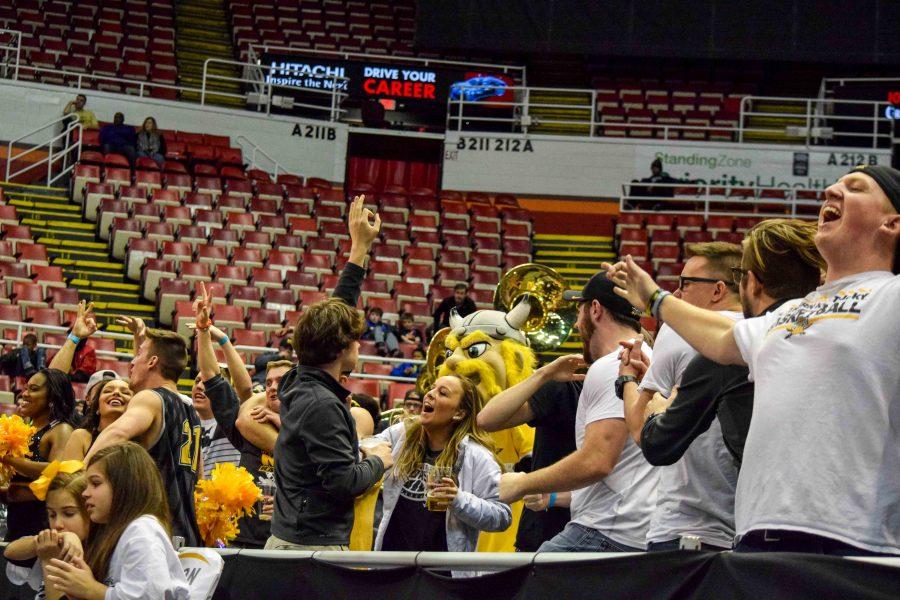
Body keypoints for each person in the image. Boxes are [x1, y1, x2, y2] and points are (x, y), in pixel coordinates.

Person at [604, 165, 900, 556]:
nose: (831, 189)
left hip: (852, 541)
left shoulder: (891, 296)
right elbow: (724, 338)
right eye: (836, 183)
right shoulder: (792, 311)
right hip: (756, 536)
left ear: (892, 223)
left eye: (855, 188)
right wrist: (656, 299)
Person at [635, 219, 823, 469]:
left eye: (740, 275)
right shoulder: (836, 331)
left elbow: (658, 445)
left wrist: (658, 409)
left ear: (753, 282)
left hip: (768, 498)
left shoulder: (730, 351)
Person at [266, 195, 394, 552]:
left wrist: (359, 249)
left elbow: (337, 311)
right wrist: (377, 460)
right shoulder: (321, 403)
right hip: (310, 549)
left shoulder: (299, 378)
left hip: (296, 537)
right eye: (356, 340)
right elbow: (343, 481)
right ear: (340, 348)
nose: (360, 346)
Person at [499, 272, 658, 553]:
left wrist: (522, 484)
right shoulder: (650, 357)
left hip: (609, 530)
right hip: (636, 530)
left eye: (579, 311)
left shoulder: (613, 364)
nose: (576, 323)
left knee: (521, 584)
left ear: (595, 309)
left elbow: (598, 460)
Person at [619, 242, 743, 552]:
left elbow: (642, 433)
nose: (677, 293)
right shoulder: (764, 331)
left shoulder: (678, 331)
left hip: (687, 525)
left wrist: (629, 381)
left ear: (717, 290)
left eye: (686, 283)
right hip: (748, 526)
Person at [84, 318, 202, 548]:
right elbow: (200, 477)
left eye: (139, 355)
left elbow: (116, 433)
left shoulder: (151, 398)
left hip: (152, 533)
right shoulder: (191, 412)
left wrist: (78, 475)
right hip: (185, 531)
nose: (132, 362)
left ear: (153, 361)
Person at [375, 375, 511, 566]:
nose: (430, 394)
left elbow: (502, 516)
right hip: (391, 566)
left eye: (442, 393)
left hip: (442, 575)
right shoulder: (402, 435)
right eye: (432, 388)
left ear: (459, 413)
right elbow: (370, 447)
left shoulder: (477, 456)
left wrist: (458, 500)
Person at [43, 442, 190, 599]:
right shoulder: (117, 531)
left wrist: (91, 589)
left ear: (125, 485)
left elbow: (149, 596)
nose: (85, 493)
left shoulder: (142, 530)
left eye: (95, 483)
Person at [476, 355, 582, 552]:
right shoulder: (564, 386)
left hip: (605, 533)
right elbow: (486, 419)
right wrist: (544, 374)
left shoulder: (637, 403)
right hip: (544, 530)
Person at [2, 369, 77, 556]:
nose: (24, 393)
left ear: (52, 397)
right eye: (26, 387)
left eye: (33, 389)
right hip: (16, 519)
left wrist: (7, 458)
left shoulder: (61, 429)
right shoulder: (27, 427)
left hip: (41, 526)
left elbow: (58, 471)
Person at [5, 468, 91, 600]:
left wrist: (49, 559)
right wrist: (62, 537)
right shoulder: (54, 542)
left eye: (69, 514)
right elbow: (10, 552)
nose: (57, 524)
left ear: (91, 510)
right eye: (52, 514)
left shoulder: (100, 551)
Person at [61, 375, 133, 462]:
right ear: (97, 407)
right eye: (108, 391)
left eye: (125, 393)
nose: (116, 393)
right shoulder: (81, 436)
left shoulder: (140, 440)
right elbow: (68, 475)